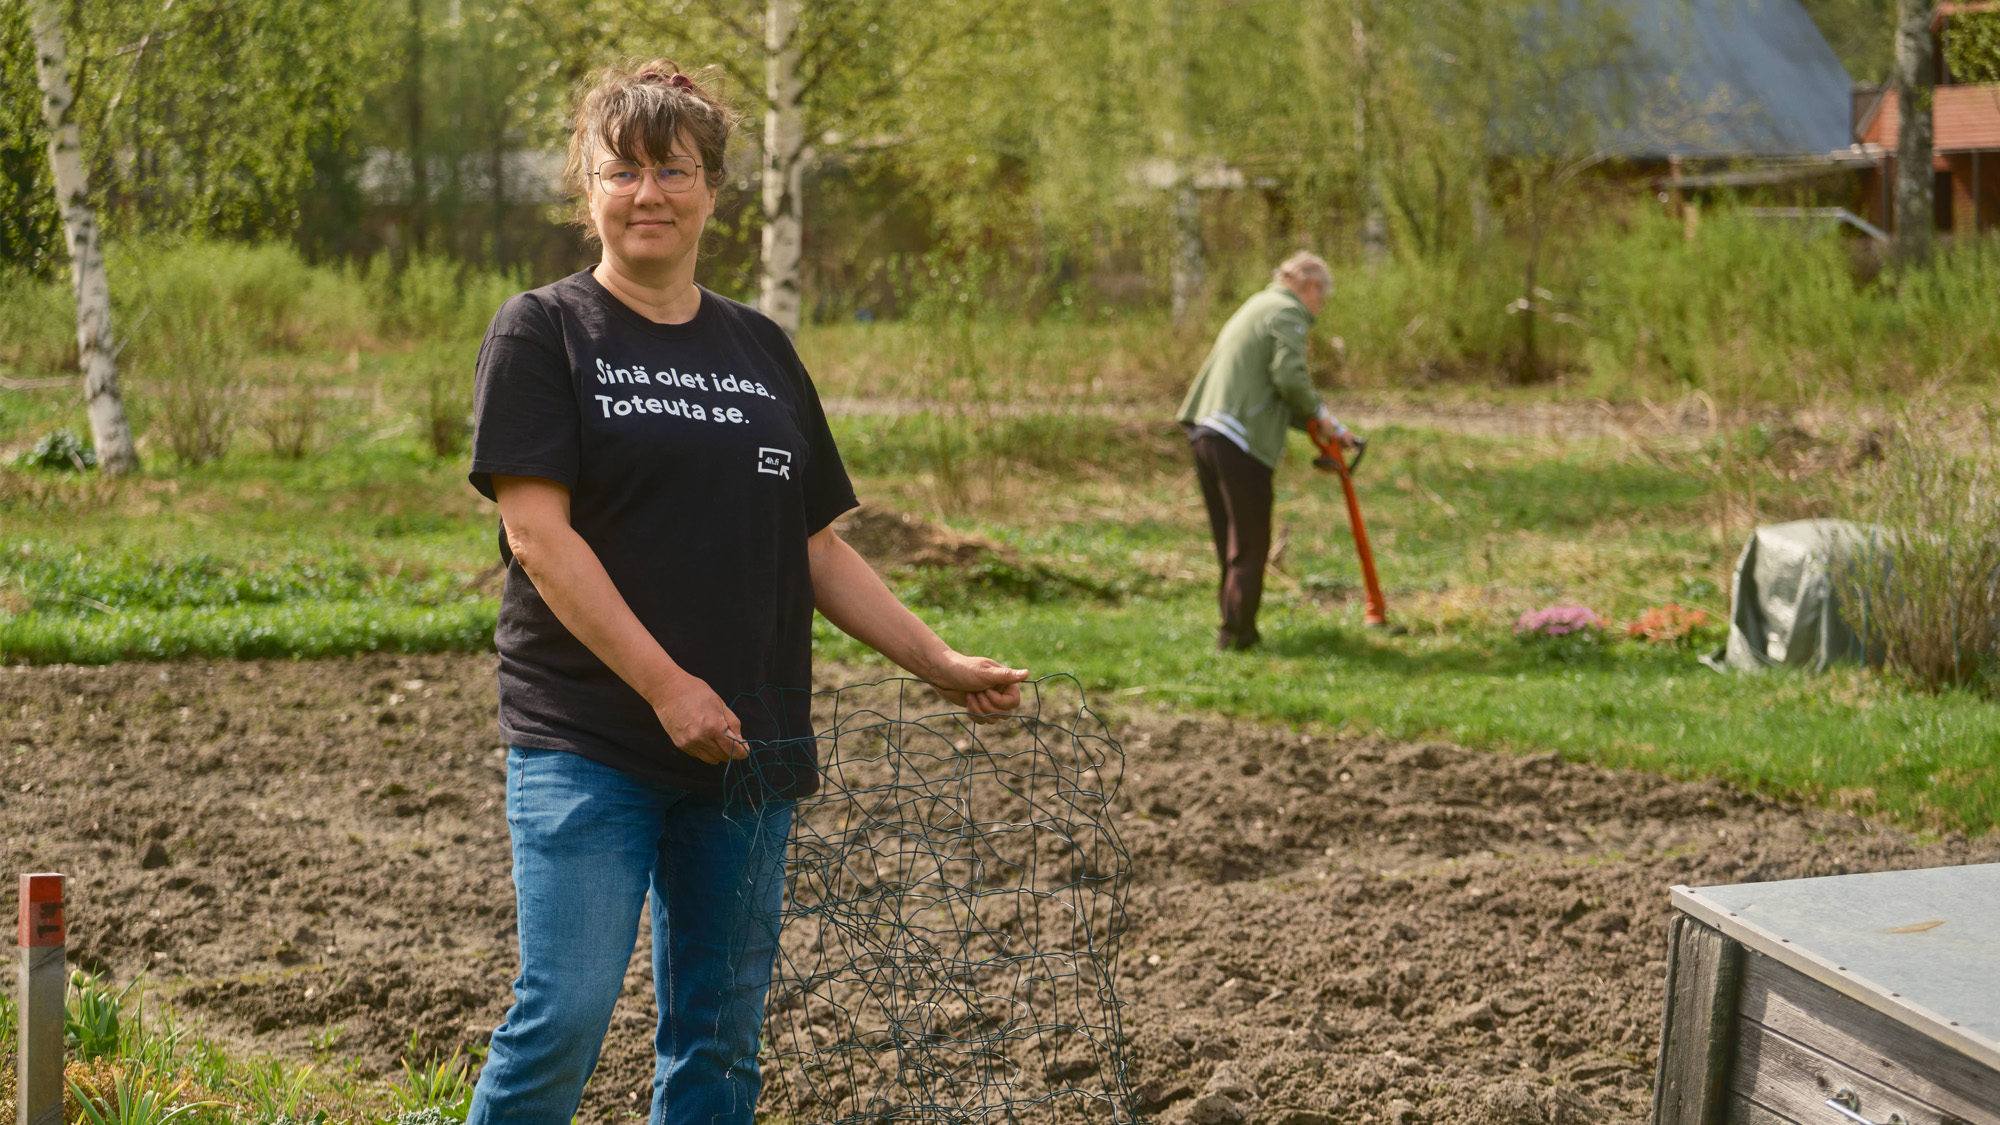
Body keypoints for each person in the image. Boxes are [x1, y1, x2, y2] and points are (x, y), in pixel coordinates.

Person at [462, 59, 1029, 1125]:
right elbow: (537, 537)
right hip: (590, 741)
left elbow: (812, 549)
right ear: (586, 187)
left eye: (672, 171)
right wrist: (666, 686)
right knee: (564, 1014)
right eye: (621, 171)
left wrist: (938, 665)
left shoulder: (759, 348)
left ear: (713, 191)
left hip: (745, 746)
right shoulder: (544, 332)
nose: (647, 195)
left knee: (720, 1038)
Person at [1176, 251, 1360, 651]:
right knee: (1251, 542)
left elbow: (1271, 390)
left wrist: (1328, 428)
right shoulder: (1286, 310)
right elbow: (1290, 378)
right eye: (1321, 299)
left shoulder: (1257, 305)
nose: (1317, 310)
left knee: (1231, 540)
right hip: (1239, 438)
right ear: (1311, 286)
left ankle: (1235, 629)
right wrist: (1320, 412)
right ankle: (1239, 638)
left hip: (1207, 432)